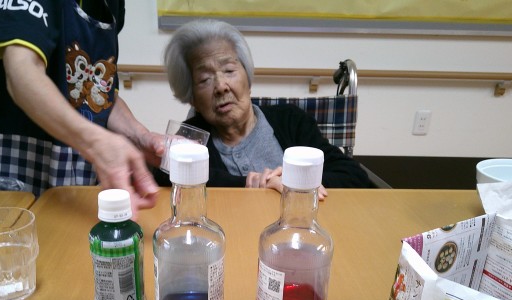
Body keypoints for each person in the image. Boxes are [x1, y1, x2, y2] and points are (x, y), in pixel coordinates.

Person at [0, 0, 162, 215]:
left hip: (73, 172)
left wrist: (139, 136)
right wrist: (97, 143)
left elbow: (95, 93)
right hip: (9, 163)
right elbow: (22, 73)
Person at [153, 19, 372, 196]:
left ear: (248, 78)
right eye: (204, 79)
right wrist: (251, 184)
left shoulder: (291, 120)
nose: (221, 86)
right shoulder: (191, 138)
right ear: (192, 98)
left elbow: (354, 176)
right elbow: (164, 177)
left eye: (229, 71)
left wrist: (296, 181)